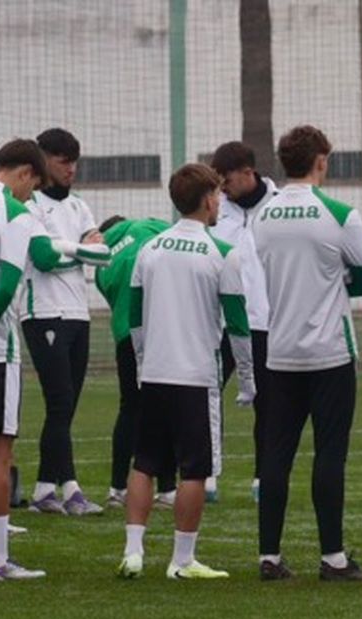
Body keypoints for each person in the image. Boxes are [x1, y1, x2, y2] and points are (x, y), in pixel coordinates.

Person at [0, 138, 98, 580]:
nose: (32, 195)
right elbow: (9, 286)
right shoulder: (15, 212)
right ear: (25, 172)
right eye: (33, 185)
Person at [248, 125, 362, 582]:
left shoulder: (260, 217)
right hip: (328, 352)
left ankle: (269, 556)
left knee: (275, 455)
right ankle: (334, 558)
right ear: (321, 160)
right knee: (329, 454)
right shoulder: (339, 214)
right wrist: (333, 279)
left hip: (279, 350)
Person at [117, 163, 255, 580]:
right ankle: (182, 560)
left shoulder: (150, 249)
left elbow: (135, 318)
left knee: (144, 463)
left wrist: (143, 363)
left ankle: (133, 552)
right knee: (194, 469)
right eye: (217, 194)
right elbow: (238, 324)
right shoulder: (222, 254)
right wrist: (248, 379)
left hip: (156, 372)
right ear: (209, 199)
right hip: (195, 375)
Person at [24, 127, 107, 515]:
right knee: (59, 403)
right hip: (44, 313)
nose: (70, 168)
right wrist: (81, 252)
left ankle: (43, 489)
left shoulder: (79, 206)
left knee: (67, 406)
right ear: (44, 161)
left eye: (74, 161)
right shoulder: (30, 205)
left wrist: (66, 251)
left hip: (78, 312)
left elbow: (103, 254)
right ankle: (70, 488)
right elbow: (42, 259)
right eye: (63, 161)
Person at [210, 141, 278, 502]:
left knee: (268, 405)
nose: (222, 189)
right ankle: (206, 475)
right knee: (207, 397)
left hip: (267, 323)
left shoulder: (280, 207)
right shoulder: (215, 211)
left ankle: (262, 478)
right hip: (221, 323)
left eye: (227, 181)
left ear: (248, 173)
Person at [95, 214, 177, 509]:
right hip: (158, 327)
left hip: (125, 335)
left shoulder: (102, 263)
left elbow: (111, 297)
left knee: (130, 407)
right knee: (166, 406)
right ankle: (168, 488)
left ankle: (117, 488)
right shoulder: (143, 226)